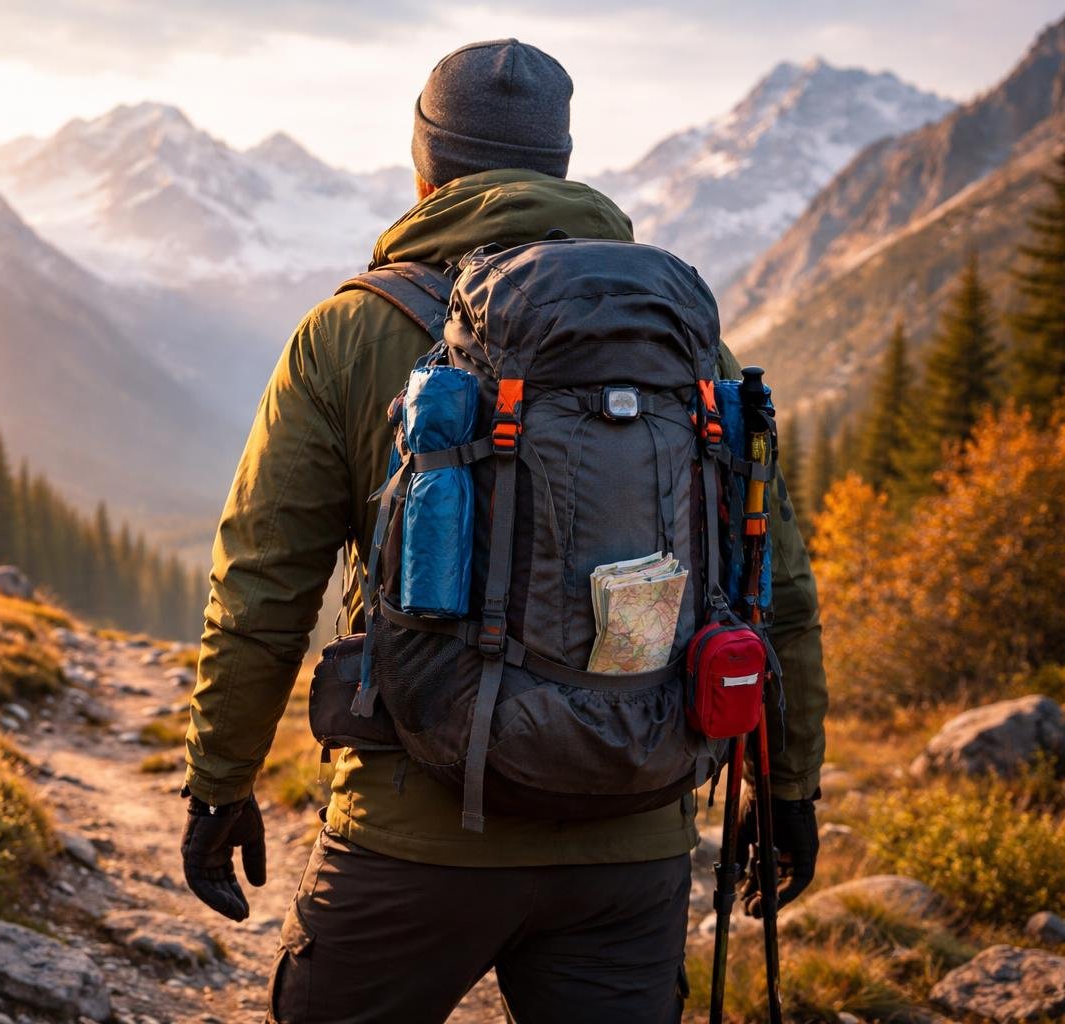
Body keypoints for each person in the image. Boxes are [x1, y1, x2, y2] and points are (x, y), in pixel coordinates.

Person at [179, 38, 827, 1024]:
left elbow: (264, 582)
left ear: (425, 167)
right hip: (636, 836)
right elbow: (768, 579)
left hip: (415, 834)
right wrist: (790, 789)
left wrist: (218, 779)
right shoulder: (688, 347)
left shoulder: (351, 334)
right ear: (562, 165)